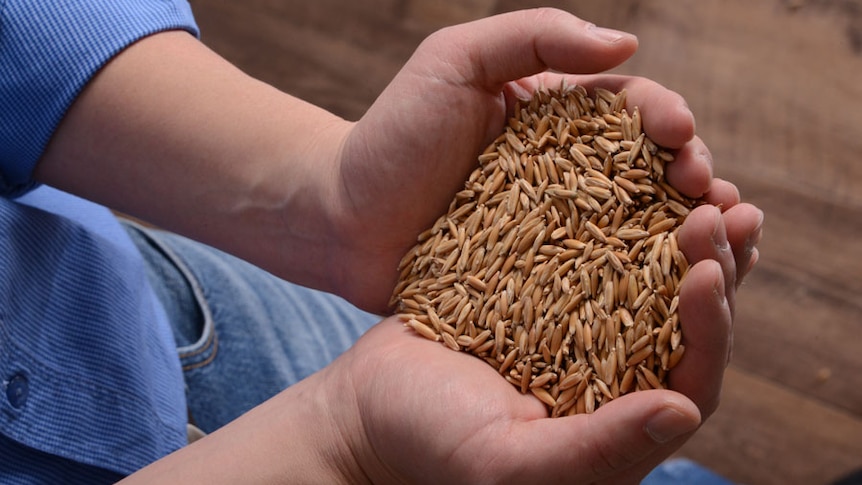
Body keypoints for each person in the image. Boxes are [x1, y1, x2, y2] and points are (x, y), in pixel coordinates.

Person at [0, 0, 763, 483]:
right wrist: (341, 445)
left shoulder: (438, 289)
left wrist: (331, 197)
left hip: (123, 306)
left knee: (629, 444)